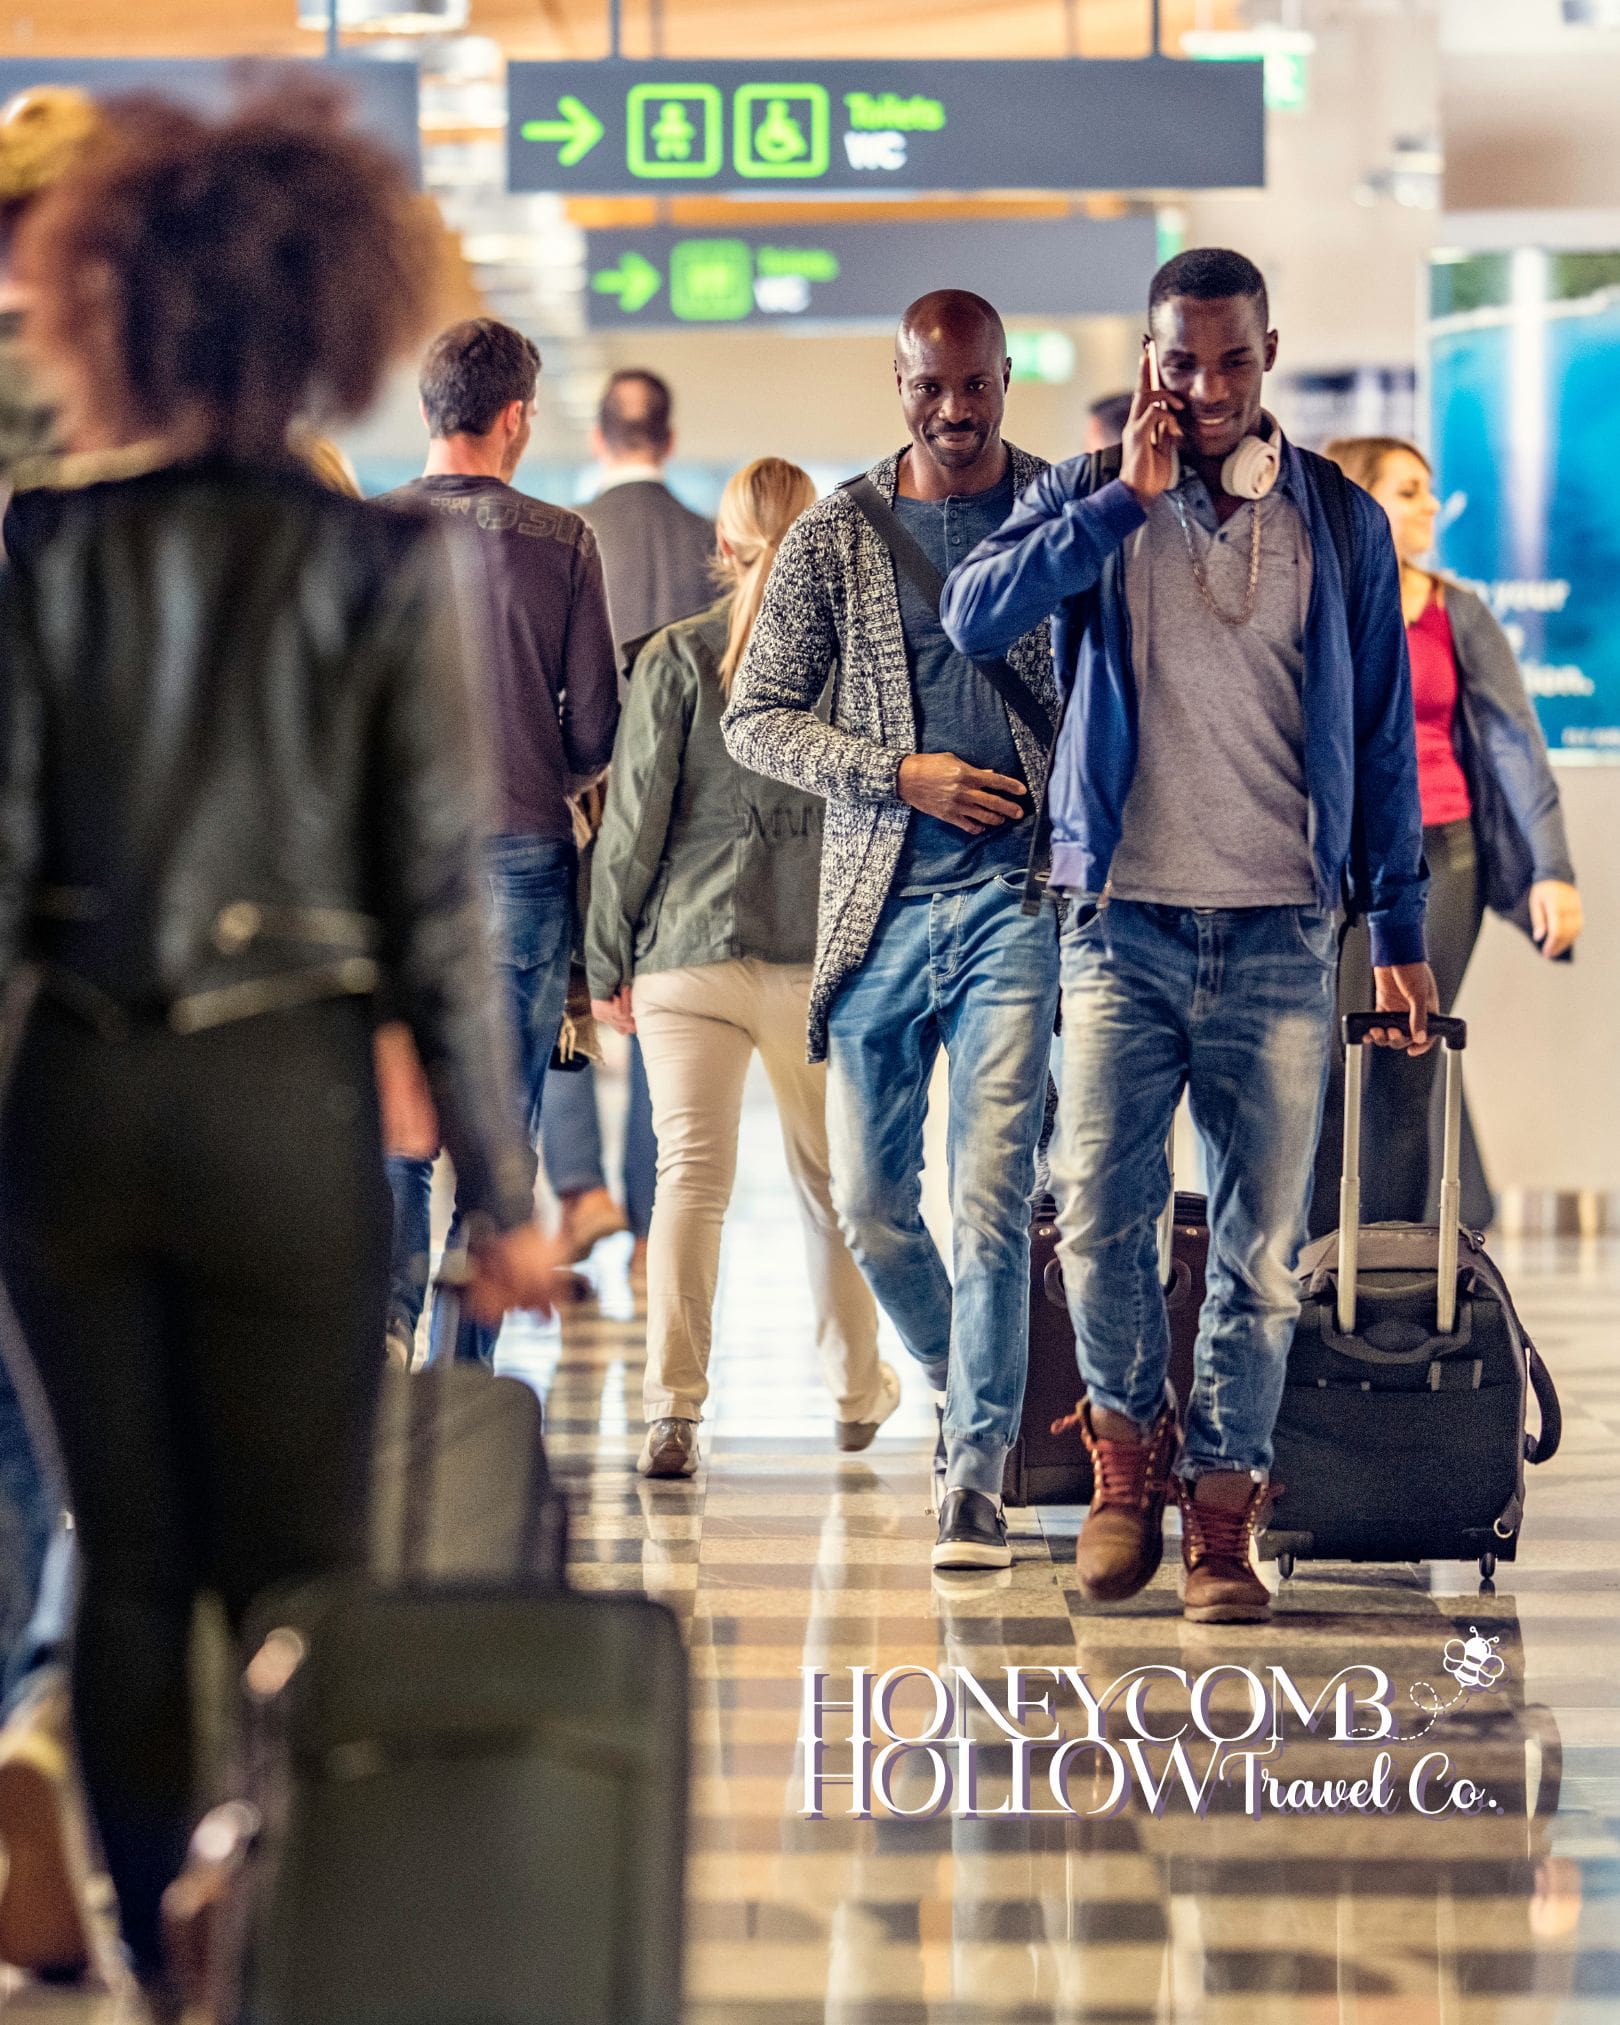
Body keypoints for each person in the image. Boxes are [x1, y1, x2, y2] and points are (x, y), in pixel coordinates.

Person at [0, 94, 557, 2015]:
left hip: (70, 1107)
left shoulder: (43, 543)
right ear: (326, 317)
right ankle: (271, 1931)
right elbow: (432, 907)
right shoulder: (375, 563)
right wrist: (501, 1191)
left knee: (129, 1564)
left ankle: (157, 1956)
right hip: (286, 1109)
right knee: (298, 1574)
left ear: (113, 320)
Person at [941, 248, 1438, 1624]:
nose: (1205, 388)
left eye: (1229, 361)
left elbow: (1385, 737)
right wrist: (1119, 509)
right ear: (1150, 359)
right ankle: (1120, 1470)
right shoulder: (1091, 489)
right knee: (1098, 1218)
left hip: (1282, 932)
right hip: (1120, 927)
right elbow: (975, 611)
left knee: (1263, 1251)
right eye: (1179, 362)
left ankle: (1223, 1512)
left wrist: (1397, 921)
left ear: (1267, 352)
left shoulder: (1338, 521)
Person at [724, 291, 1062, 1573]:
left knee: (989, 1198)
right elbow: (757, 713)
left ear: (1005, 376)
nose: (956, 411)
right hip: (878, 906)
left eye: (976, 387)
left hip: (1017, 902)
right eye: (932, 388)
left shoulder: (1055, 511)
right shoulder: (840, 533)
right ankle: (968, 1380)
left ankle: (977, 1470)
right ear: (900, 381)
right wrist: (896, 771)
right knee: (872, 1205)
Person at [586, 457, 894, 1477]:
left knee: (691, 1182)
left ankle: (672, 1410)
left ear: (720, 549)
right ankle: (856, 1394)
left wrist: (605, 963)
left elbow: (632, 824)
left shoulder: (674, 657)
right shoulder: (860, 667)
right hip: (819, 959)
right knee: (831, 1186)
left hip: (687, 953)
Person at [382, 317, 619, 1367]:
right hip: (522, 856)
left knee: (395, 1130)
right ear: (516, 418)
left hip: (388, 870)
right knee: (503, 1133)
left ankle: (378, 1348)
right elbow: (596, 732)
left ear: (428, 410)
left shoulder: (359, 533)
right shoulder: (562, 541)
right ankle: (455, 1380)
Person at [1308, 435, 1582, 1236]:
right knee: (1327, 1059)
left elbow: (1514, 742)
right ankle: (1326, 1256)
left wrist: (1552, 867)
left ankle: (1404, 1265)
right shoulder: (1316, 601)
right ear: (1358, 502)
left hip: (1442, 853)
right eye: (1409, 490)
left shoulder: (1455, 610)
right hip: (1336, 861)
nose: (1432, 505)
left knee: (1406, 1050)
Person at [542, 369, 715, 1271]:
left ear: (600, 439)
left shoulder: (570, 535)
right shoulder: (706, 538)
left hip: (585, 803)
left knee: (569, 993)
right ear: (671, 438)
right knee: (660, 1010)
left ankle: (583, 1194)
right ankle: (654, 1233)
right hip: (686, 813)